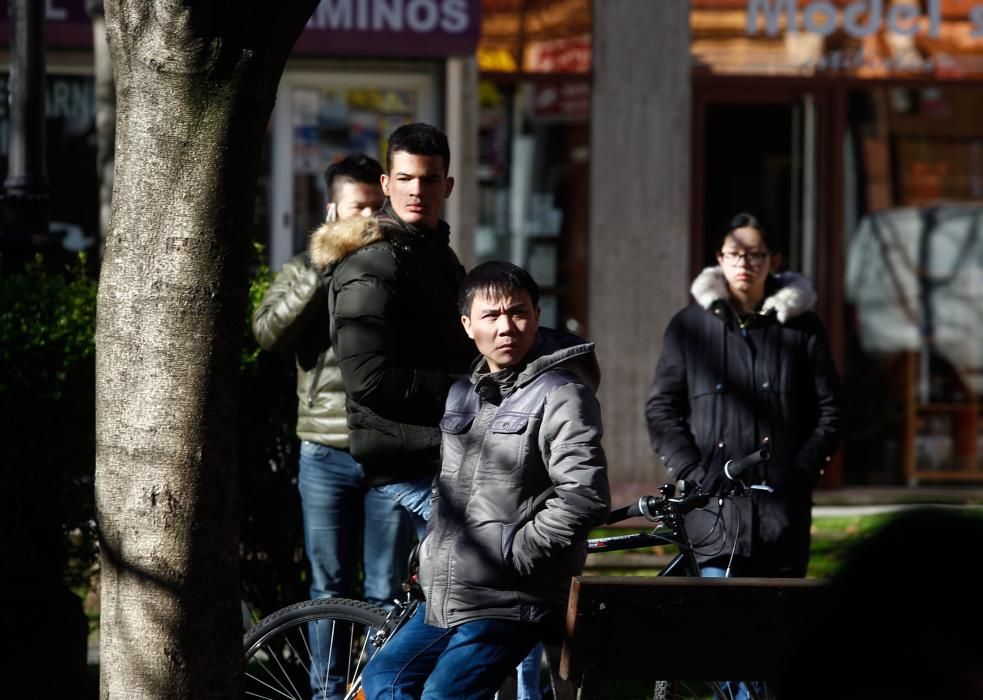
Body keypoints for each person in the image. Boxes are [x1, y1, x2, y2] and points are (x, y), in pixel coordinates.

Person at [360, 260, 611, 700]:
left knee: (444, 694)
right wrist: (431, 550)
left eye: (518, 312)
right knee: (385, 679)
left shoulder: (562, 393)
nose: (506, 327)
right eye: (491, 316)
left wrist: (512, 554)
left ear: (536, 315)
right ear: (467, 325)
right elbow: (447, 487)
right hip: (449, 590)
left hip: (512, 596)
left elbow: (584, 495)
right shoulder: (464, 394)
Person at [252, 153, 409, 700]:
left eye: (375, 207)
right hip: (325, 448)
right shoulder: (305, 267)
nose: (367, 219)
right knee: (327, 588)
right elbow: (269, 334)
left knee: (386, 589)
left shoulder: (400, 266)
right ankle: (327, 693)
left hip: (388, 450)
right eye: (356, 208)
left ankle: (376, 692)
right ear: (332, 209)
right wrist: (325, 270)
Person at [646, 212, 842, 579]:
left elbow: (831, 410)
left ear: (774, 260)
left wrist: (800, 472)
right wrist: (692, 471)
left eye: (755, 254)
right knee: (714, 622)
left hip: (780, 508)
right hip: (709, 507)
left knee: (777, 625)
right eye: (734, 254)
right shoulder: (689, 326)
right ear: (719, 259)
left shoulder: (802, 328)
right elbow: (661, 410)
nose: (744, 264)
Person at [308, 123, 477, 537]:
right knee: (462, 581)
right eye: (404, 179)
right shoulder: (374, 261)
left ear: (448, 185)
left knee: (451, 589)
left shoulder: (434, 251)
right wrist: (463, 390)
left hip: (436, 450)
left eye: (428, 179)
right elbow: (367, 378)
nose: (416, 190)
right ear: (386, 184)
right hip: (403, 460)